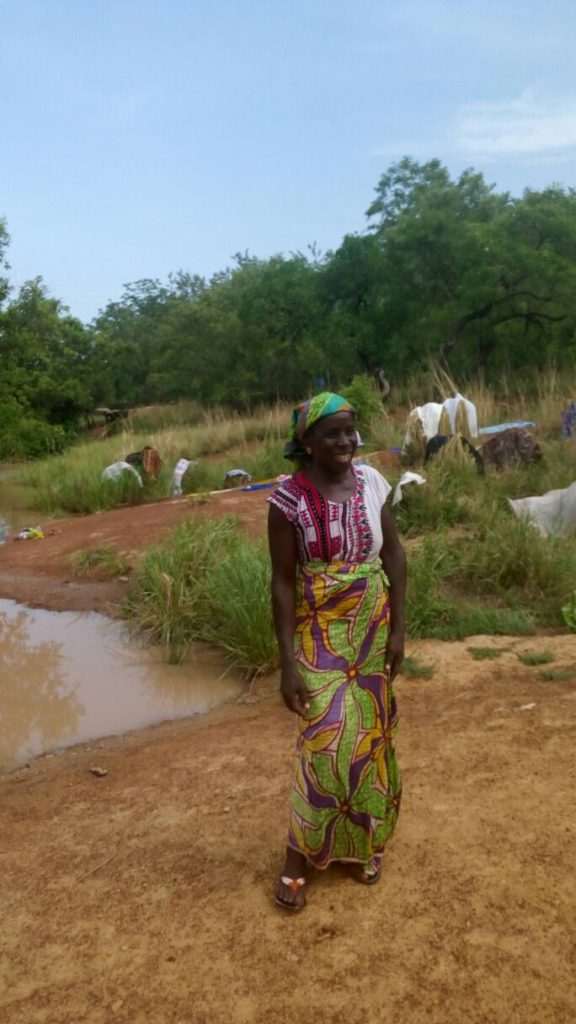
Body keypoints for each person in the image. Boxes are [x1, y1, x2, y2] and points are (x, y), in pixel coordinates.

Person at [268, 392, 406, 911]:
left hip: (373, 625)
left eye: (350, 430)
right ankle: (296, 856)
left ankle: (363, 842)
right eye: (332, 433)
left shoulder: (371, 481)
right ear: (307, 441)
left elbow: (393, 553)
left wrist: (398, 630)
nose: (346, 441)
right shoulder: (287, 499)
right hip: (320, 630)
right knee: (322, 741)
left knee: (369, 738)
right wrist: (287, 663)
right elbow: (282, 583)